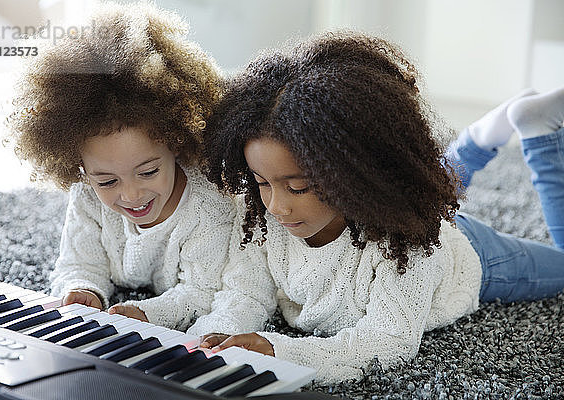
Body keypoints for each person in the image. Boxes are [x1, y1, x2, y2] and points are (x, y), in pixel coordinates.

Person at [186, 32, 564, 383]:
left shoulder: (407, 247)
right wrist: (212, 338)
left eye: (298, 187)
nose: (277, 206)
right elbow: (245, 293)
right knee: (427, 183)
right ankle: (480, 138)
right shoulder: (264, 220)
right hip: (407, 210)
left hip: (472, 254)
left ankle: (538, 133)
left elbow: (387, 342)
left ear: (352, 174)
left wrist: (278, 349)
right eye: (262, 182)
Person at [6, 2, 235, 330]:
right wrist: (83, 289)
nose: (131, 194)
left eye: (148, 172)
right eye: (107, 181)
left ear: (176, 142)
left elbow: (204, 292)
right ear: (79, 166)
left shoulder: (208, 209)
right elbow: (77, 263)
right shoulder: (86, 193)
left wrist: (147, 313)